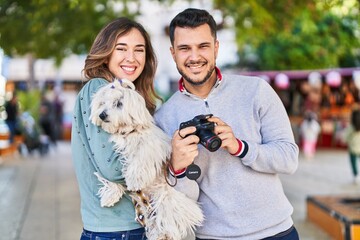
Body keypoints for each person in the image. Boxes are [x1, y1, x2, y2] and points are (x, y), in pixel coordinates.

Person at [154, 8, 300, 240]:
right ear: (173, 53)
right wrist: (178, 169)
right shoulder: (163, 118)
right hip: (215, 236)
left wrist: (240, 147)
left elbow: (289, 159)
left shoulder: (256, 90)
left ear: (216, 48)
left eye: (203, 46)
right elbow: (183, 200)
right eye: (184, 48)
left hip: (277, 231)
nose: (194, 57)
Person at [71, 17, 160, 240]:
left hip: (134, 227)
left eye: (139, 50)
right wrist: (167, 160)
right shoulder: (99, 90)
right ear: (106, 52)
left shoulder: (134, 98)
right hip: (115, 231)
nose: (131, 58)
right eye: (121, 48)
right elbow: (112, 168)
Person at [344, 106, 360, 185]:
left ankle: (356, 175)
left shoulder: (351, 127)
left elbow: (345, 138)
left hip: (353, 148)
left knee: (353, 163)